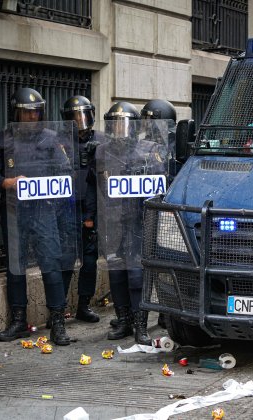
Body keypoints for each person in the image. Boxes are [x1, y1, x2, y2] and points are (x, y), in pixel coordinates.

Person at [0, 87, 72, 346]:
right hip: (14, 212)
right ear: (16, 113)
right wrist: (7, 183)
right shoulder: (3, 140)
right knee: (15, 268)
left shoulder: (52, 139)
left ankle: (58, 322)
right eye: (27, 113)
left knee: (51, 265)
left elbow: (65, 172)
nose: (33, 117)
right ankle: (19, 321)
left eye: (36, 112)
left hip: (43, 211)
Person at [92, 101, 169, 343]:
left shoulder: (148, 150)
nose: (119, 129)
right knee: (116, 274)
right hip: (114, 222)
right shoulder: (102, 151)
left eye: (124, 124)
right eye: (114, 124)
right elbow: (95, 187)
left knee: (137, 275)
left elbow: (159, 185)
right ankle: (123, 320)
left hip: (138, 221)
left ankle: (141, 324)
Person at [57, 95, 103, 325]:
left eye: (83, 116)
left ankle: (84, 305)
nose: (80, 122)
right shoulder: (59, 143)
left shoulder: (100, 140)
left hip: (90, 213)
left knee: (89, 261)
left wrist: (101, 153)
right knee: (65, 261)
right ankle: (58, 310)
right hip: (66, 211)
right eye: (74, 118)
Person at [141, 99, 177, 330]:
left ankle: (168, 311)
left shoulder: (175, 145)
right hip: (147, 211)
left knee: (167, 264)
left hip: (168, 216)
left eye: (151, 121)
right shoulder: (143, 146)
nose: (147, 125)